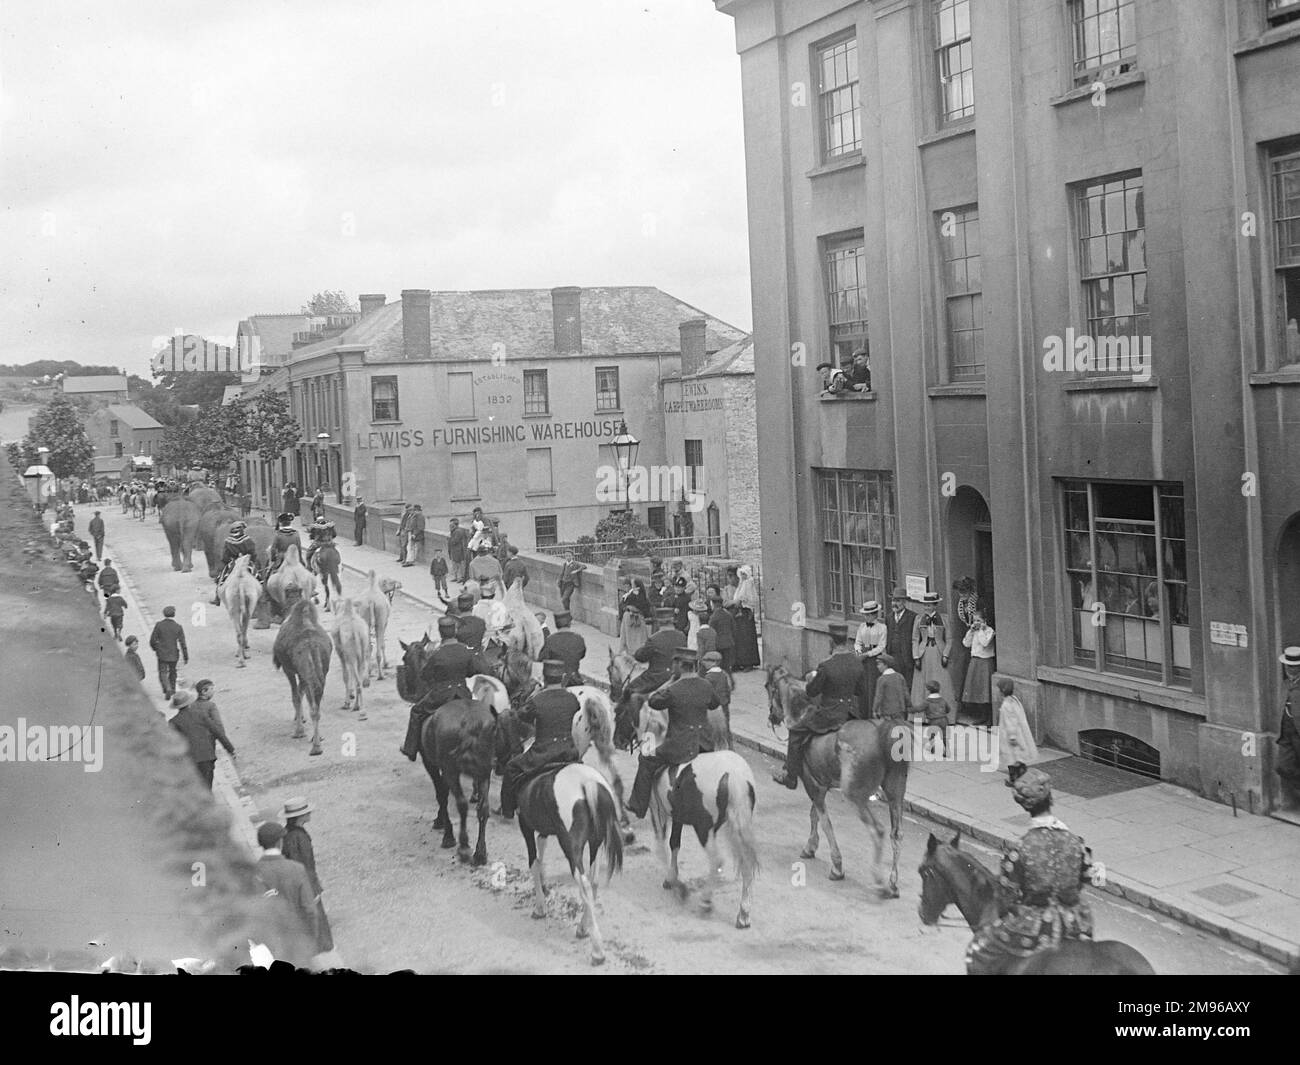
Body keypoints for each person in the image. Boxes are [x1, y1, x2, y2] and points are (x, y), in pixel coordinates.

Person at [965, 768, 1100, 975]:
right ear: (1050, 798)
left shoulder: (1020, 850)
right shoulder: (1076, 842)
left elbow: (1005, 899)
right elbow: (1091, 876)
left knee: (979, 949)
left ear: (1024, 806)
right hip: (1076, 922)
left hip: (1036, 927)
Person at [772, 623, 870, 788]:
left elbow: (811, 692)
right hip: (850, 713)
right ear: (846, 641)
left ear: (831, 642)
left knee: (795, 730)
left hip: (829, 715)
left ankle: (790, 776)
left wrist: (812, 678)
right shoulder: (856, 662)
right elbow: (860, 691)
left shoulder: (826, 665)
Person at [626, 649, 719, 818]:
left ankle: (638, 805)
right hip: (705, 743)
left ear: (680, 666)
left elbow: (654, 701)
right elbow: (714, 704)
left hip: (680, 746)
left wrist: (669, 682)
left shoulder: (673, 689)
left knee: (645, 758)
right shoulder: (706, 685)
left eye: (674, 664)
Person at [399, 616, 492, 761]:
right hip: (463, 693)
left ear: (441, 633)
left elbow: (425, 675)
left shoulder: (436, 655)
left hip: (441, 695)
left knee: (416, 711)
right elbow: (474, 670)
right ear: (455, 631)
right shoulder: (465, 651)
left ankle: (410, 748)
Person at [500, 661, 582, 818]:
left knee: (511, 768)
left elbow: (522, 715)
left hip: (542, 753)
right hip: (568, 751)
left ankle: (508, 810)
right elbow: (576, 707)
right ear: (562, 677)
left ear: (544, 677)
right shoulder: (571, 698)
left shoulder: (538, 700)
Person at [253, 821, 319, 962]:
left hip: (269, 945)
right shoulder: (296, 869)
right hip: (297, 942)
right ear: (280, 842)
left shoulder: (253, 872)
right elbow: (310, 910)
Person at [280, 797, 334, 956]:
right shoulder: (298, 837)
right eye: (306, 812)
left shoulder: (288, 832)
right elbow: (302, 864)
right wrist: (312, 886)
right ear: (300, 816)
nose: (309, 813)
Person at [169, 684, 235, 789]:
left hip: (190, 759)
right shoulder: (200, 714)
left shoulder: (173, 722)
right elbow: (217, 731)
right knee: (207, 784)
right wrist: (230, 749)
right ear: (189, 703)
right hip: (207, 755)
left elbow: (173, 743)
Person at [626, 608, 688, 700]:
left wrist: (642, 648)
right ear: (673, 621)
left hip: (657, 678)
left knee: (628, 690)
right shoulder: (682, 636)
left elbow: (640, 657)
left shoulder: (654, 639)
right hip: (677, 676)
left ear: (659, 623)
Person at [911, 592, 957, 709]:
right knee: (922, 683)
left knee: (943, 681)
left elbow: (949, 639)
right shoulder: (918, 619)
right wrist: (916, 656)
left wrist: (946, 655)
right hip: (924, 653)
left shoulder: (944, 619)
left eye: (929, 605)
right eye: (925, 605)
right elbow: (915, 639)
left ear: (935, 605)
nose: (927, 608)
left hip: (938, 652)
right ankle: (921, 716)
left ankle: (943, 713)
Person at [1274, 647, 1300, 811]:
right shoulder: (1285, 684)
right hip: (1285, 734)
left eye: (1293, 666)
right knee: (1282, 766)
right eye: (1287, 666)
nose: (1289, 669)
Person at [961, 610, 997, 725]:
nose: (976, 623)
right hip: (975, 661)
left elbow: (985, 643)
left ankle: (989, 717)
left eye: (978, 620)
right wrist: (971, 631)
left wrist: (981, 629)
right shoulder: (975, 631)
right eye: (974, 620)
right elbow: (966, 644)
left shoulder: (989, 631)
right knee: (977, 689)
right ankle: (981, 715)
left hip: (985, 662)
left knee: (985, 690)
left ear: (984, 621)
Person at [994, 678, 1038, 769]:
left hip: (1010, 735)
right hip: (1018, 732)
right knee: (1017, 756)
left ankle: (1014, 778)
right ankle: (1020, 773)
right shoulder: (1014, 700)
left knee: (1011, 757)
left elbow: (1010, 722)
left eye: (999, 690)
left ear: (1002, 691)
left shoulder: (1006, 705)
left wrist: (1012, 736)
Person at [212, 520, 258, 604]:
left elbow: (225, 556)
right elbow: (253, 552)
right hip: (246, 562)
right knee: (258, 577)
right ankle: (261, 599)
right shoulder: (247, 539)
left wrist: (226, 561)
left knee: (221, 577)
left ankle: (217, 598)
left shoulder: (228, 541)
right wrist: (252, 560)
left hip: (233, 562)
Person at [854, 600, 888, 710]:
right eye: (866, 615)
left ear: (875, 614)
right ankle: (863, 712)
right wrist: (859, 653)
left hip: (875, 659)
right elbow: (858, 642)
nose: (867, 617)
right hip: (863, 659)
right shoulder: (862, 627)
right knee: (863, 685)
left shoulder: (882, 627)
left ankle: (873, 711)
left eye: (870, 615)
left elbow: (881, 646)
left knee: (873, 684)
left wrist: (868, 654)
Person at [149, 606, 189, 699]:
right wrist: (185, 656)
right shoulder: (178, 627)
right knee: (173, 671)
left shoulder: (159, 625)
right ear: (174, 614)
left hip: (162, 653)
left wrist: (156, 648)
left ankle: (167, 688)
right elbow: (183, 643)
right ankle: (173, 688)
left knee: (162, 672)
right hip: (173, 653)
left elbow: (152, 640)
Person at [539, 612, 586, 687]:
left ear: (557, 625)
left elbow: (542, 657)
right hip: (575, 679)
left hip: (557, 681)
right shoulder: (579, 638)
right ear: (569, 624)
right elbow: (582, 655)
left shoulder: (550, 640)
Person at [885, 588, 918, 693]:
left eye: (898, 601)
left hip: (906, 657)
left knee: (908, 685)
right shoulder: (889, 617)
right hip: (892, 656)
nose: (895, 604)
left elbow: (916, 637)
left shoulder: (913, 617)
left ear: (904, 602)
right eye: (893, 600)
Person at [730, 565, 761, 669]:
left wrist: (739, 603)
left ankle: (749, 662)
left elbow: (746, 597)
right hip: (740, 612)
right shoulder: (741, 583)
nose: (743, 576)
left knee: (747, 638)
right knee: (740, 638)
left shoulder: (748, 583)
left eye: (744, 574)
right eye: (741, 574)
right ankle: (740, 662)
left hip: (745, 612)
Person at [917, 679, 953, 757]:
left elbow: (919, 709)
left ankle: (932, 747)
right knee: (944, 736)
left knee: (931, 734)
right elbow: (948, 709)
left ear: (928, 691)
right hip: (944, 720)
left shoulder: (927, 701)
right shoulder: (942, 700)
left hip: (933, 721)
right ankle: (947, 750)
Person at [871, 652, 910, 724]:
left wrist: (874, 710)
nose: (877, 666)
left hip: (887, 712)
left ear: (886, 665)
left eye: (879, 664)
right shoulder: (900, 676)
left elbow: (878, 696)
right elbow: (906, 694)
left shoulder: (881, 679)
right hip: (900, 711)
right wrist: (909, 705)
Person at [619, 580, 650, 655]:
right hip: (629, 619)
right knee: (628, 638)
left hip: (637, 619)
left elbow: (645, 607)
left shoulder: (639, 595)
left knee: (638, 638)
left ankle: (638, 652)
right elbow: (622, 605)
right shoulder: (629, 595)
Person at [709, 595, 736, 677]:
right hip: (728, 642)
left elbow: (711, 631)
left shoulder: (713, 617)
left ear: (712, 604)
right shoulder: (728, 614)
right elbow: (734, 628)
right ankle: (730, 681)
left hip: (718, 644)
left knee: (718, 665)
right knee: (727, 666)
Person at [702, 650, 731, 725]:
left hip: (714, 707)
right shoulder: (724, 674)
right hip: (724, 705)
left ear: (714, 663)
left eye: (706, 660)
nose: (704, 663)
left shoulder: (709, 677)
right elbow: (729, 688)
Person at [448, 518, 470, 583]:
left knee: (459, 564)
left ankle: (460, 578)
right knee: (456, 564)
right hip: (456, 550)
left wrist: (449, 539)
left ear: (455, 525)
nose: (450, 526)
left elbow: (455, 541)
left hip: (458, 550)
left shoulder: (458, 531)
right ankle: (457, 577)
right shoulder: (456, 531)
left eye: (451, 525)